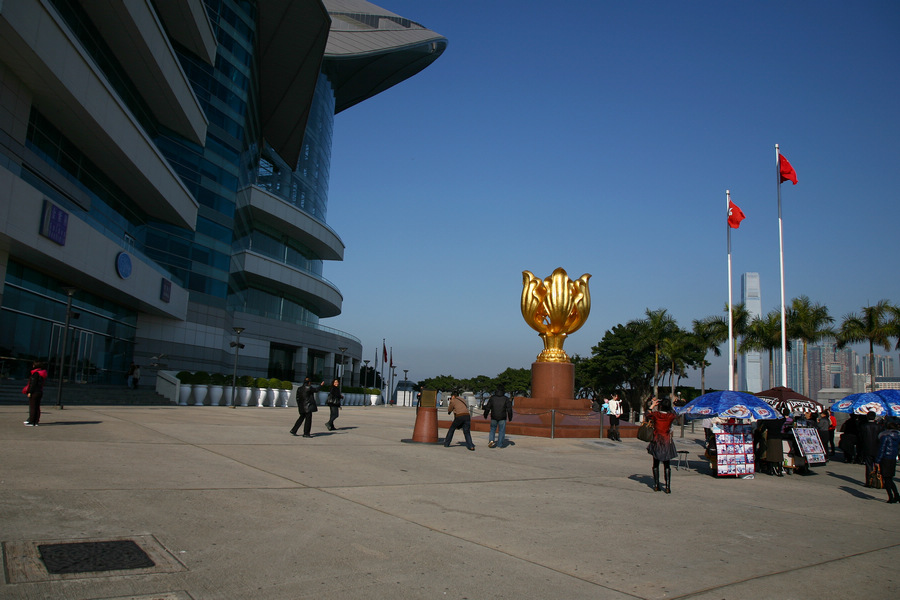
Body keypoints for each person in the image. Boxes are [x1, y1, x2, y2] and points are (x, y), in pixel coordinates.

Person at [645, 397, 677, 493]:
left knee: (655, 464)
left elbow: (647, 414)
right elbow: (675, 414)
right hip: (666, 440)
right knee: (667, 465)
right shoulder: (670, 416)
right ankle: (667, 487)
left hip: (657, 440)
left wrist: (653, 405)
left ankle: (656, 485)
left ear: (661, 405)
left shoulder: (656, 415)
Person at [876, 421, 900, 503]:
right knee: (890, 478)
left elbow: (881, 449)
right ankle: (896, 495)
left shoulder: (885, 436)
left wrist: (877, 460)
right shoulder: (897, 436)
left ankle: (891, 497)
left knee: (886, 479)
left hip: (885, 458)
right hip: (893, 458)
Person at [858, 411, 883, 487]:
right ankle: (879, 481)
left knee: (868, 465)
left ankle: (869, 481)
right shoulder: (879, 427)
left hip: (867, 448)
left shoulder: (864, 426)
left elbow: (861, 438)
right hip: (877, 448)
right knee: (878, 465)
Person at [23, 361, 48, 426]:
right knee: (37, 407)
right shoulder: (42, 373)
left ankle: (31, 421)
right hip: (39, 391)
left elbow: (33, 384)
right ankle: (36, 421)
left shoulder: (36, 373)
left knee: (33, 407)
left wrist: (30, 392)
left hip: (34, 391)